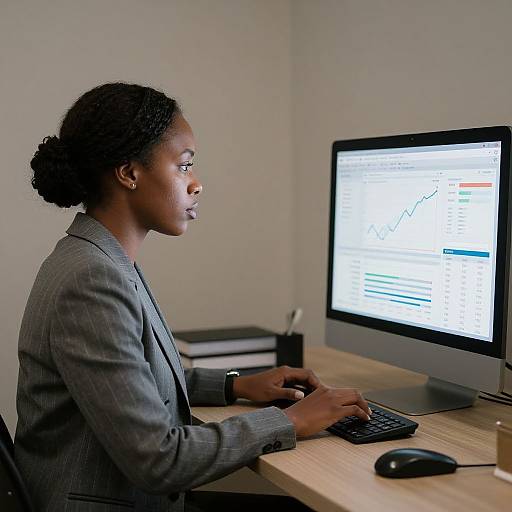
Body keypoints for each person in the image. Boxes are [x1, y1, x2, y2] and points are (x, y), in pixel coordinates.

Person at [15, 82, 371, 512]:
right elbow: (160, 460)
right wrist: (291, 420)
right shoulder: (91, 280)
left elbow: (132, 381)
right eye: (184, 166)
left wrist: (237, 385)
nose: (197, 184)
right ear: (129, 173)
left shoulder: (97, 258)